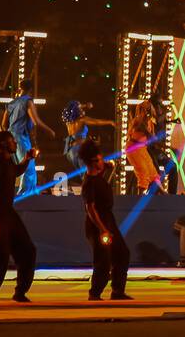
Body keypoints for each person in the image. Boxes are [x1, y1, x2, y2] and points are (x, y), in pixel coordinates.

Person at [0, 130, 38, 303]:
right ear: (5, 144)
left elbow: (16, 171)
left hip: (8, 213)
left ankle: (20, 292)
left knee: (28, 250)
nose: (15, 143)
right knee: (0, 257)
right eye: (12, 141)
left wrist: (27, 159)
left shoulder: (8, 162)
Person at [80, 140, 131, 301]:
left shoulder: (98, 177)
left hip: (108, 220)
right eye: (100, 159)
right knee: (103, 260)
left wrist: (107, 167)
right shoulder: (89, 183)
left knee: (122, 253)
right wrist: (102, 229)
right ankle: (94, 293)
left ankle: (117, 291)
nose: (104, 161)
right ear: (94, 162)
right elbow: (91, 209)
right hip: (97, 224)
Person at [2, 78, 56, 195]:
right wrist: (50, 130)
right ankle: (26, 194)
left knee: (16, 167)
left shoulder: (11, 103)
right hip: (21, 137)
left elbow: (3, 124)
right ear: (31, 89)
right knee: (29, 166)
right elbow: (36, 121)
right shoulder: (28, 101)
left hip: (10, 136)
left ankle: (14, 192)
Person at [60, 101, 116, 174]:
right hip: (79, 149)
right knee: (88, 173)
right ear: (77, 111)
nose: (82, 110)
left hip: (70, 150)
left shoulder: (69, 122)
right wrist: (110, 122)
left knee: (83, 173)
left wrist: (85, 105)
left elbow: (72, 107)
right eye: (80, 109)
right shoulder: (82, 120)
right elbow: (97, 122)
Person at [125, 101, 162, 194]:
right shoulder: (138, 121)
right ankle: (140, 197)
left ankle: (162, 194)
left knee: (152, 171)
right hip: (133, 148)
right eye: (145, 109)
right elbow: (149, 135)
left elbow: (152, 138)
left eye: (149, 109)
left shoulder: (150, 122)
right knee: (143, 171)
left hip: (142, 148)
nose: (147, 111)